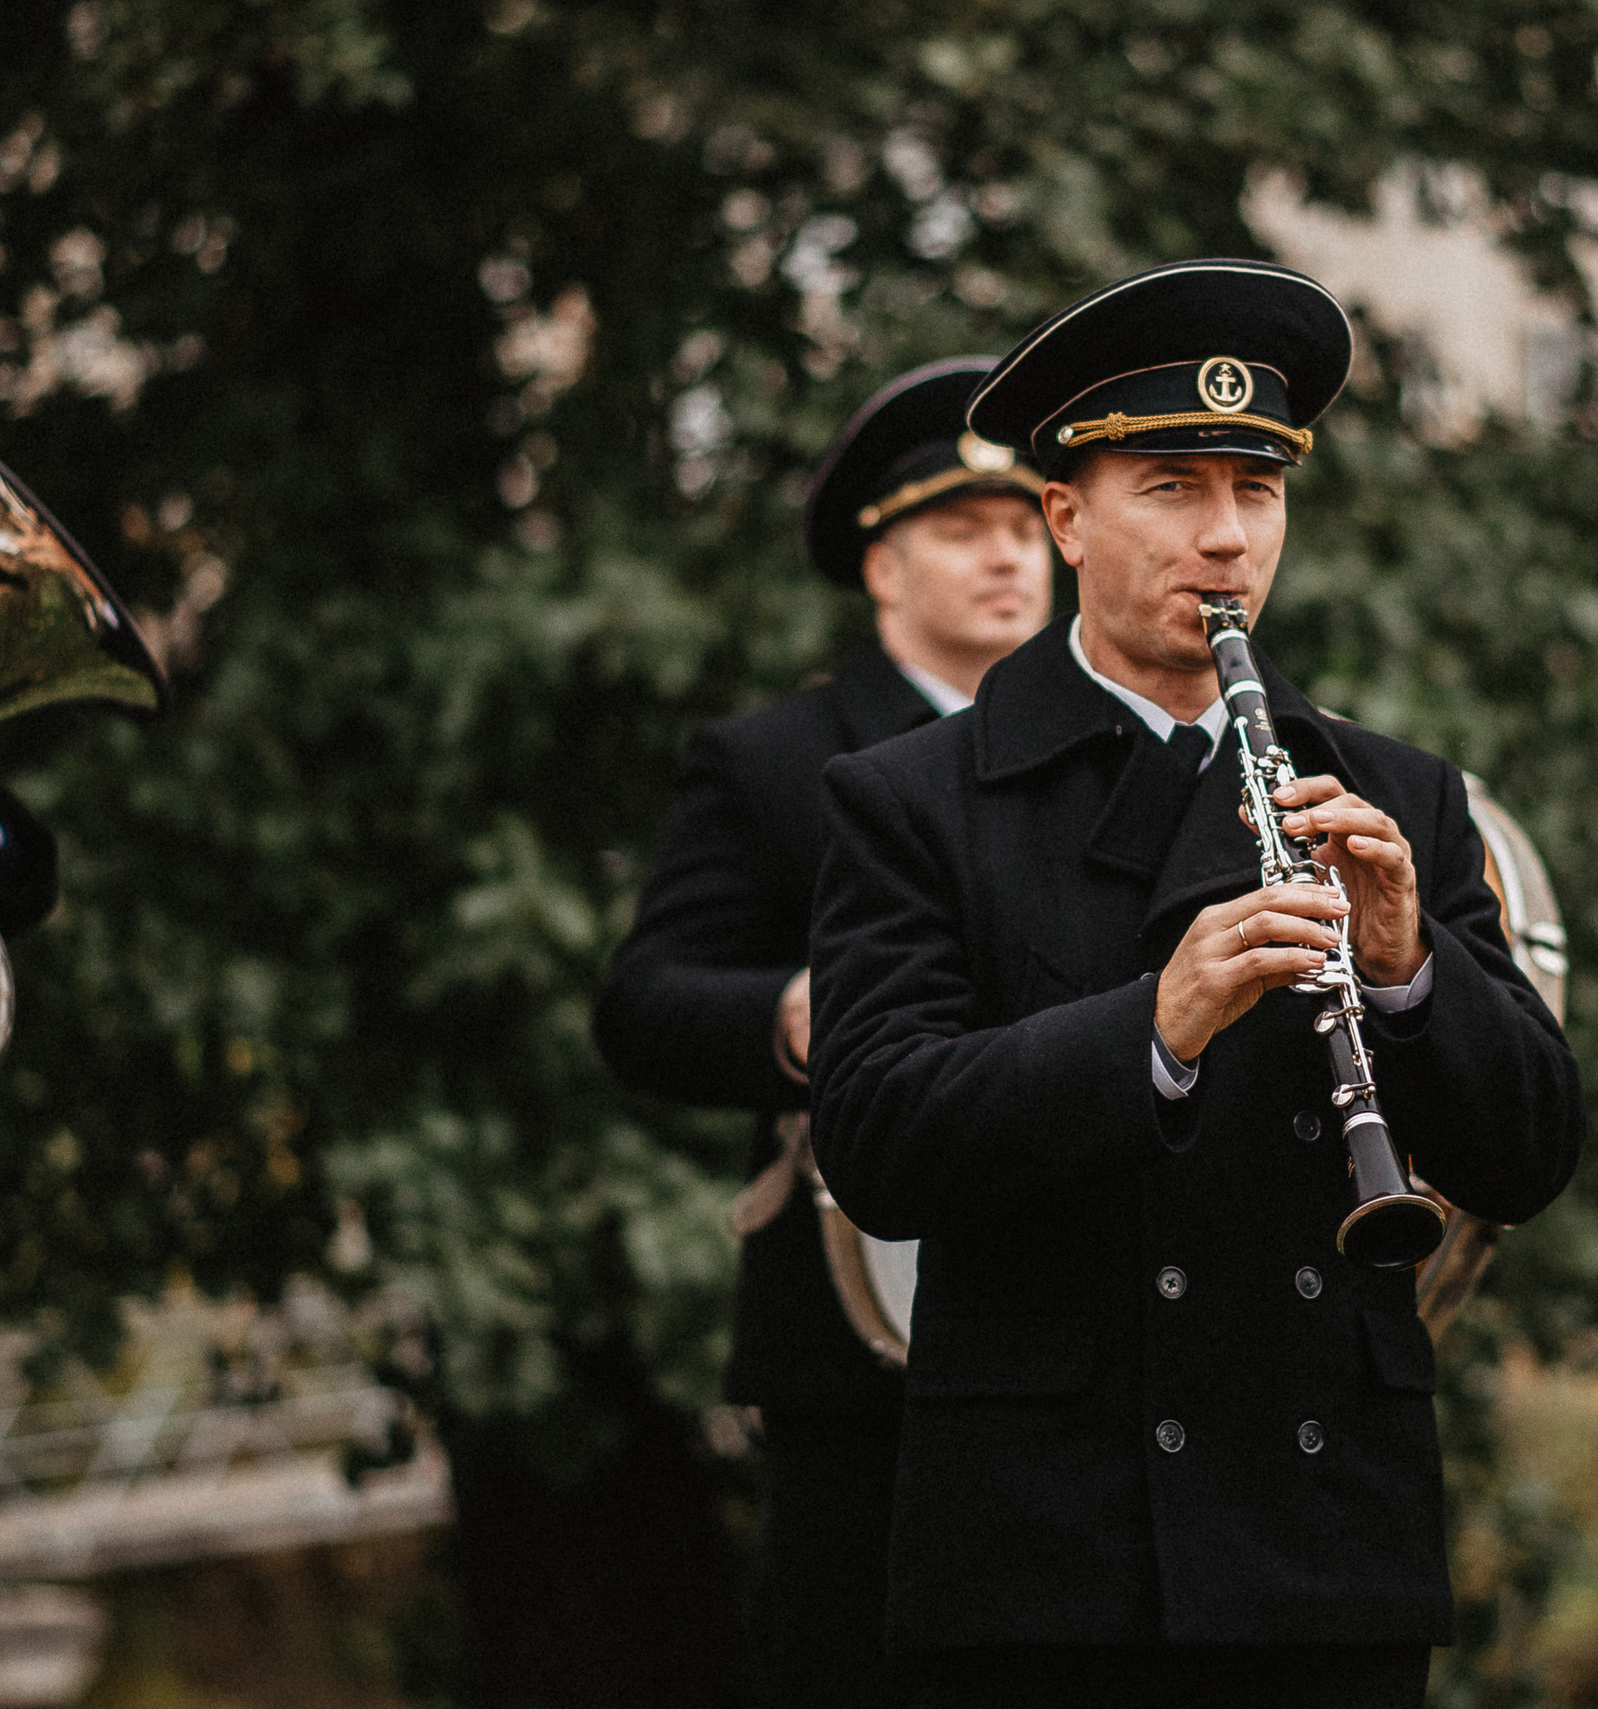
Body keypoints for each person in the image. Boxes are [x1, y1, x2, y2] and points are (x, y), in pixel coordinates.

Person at [802, 259, 1583, 1709]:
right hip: (1056, 1551)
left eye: (1257, 490)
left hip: (1326, 1540)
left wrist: (1410, 969)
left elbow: (1529, 1153)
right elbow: (877, 1143)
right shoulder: (913, 799)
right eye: (1171, 487)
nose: (1226, 536)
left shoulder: (1399, 790)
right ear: (1066, 516)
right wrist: (1154, 1027)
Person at [592, 356, 1051, 1709]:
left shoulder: (1124, 745)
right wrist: (794, 1012)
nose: (1006, 556)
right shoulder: (774, 758)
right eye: (961, 529)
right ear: (880, 567)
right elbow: (642, 1002)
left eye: (1025, 525)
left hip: (1081, 1318)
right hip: (860, 1350)